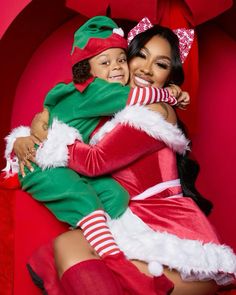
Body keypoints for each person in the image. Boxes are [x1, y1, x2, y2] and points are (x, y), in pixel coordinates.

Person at [6, 16, 196, 295]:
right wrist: (30, 135)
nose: (144, 68)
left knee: (73, 243)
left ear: (170, 74)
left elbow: (95, 161)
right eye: (140, 56)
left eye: (161, 64)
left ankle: (68, 267)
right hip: (118, 207)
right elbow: (65, 115)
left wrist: (45, 136)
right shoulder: (106, 103)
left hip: (157, 221)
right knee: (69, 242)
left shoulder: (153, 111)